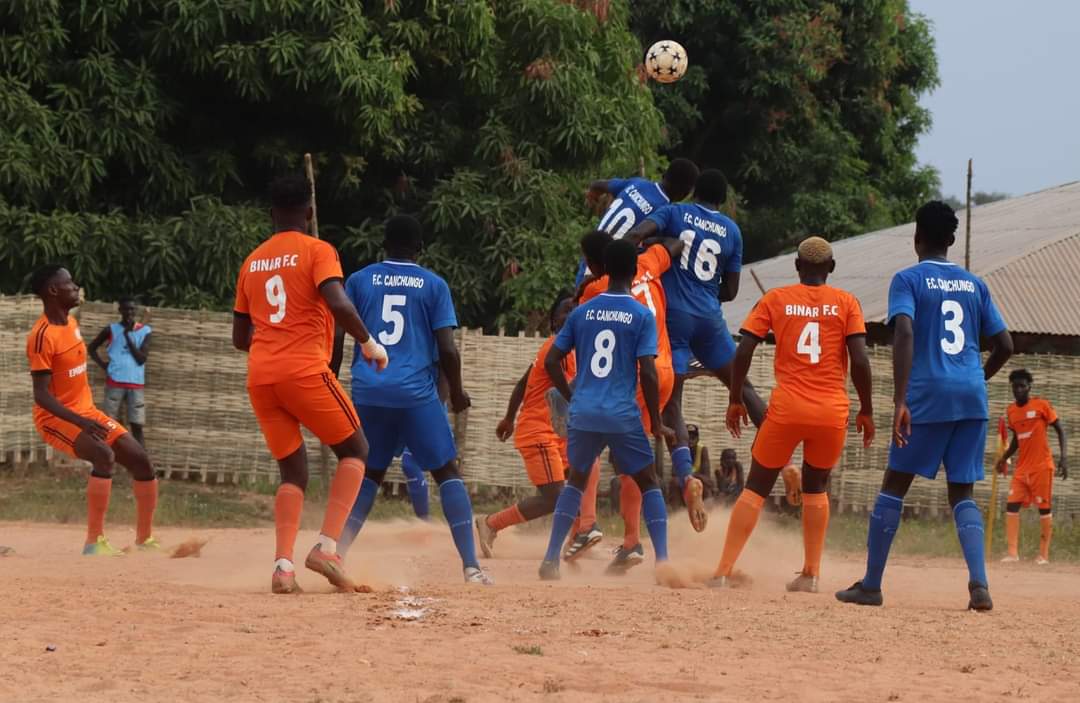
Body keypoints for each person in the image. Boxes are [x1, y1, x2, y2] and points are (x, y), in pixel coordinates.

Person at [836, 202, 1013, 611]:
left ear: (916, 239)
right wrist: (976, 378)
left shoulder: (908, 280)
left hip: (927, 396)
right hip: (971, 397)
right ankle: (979, 585)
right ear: (952, 241)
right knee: (962, 492)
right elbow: (1005, 345)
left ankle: (872, 585)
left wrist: (900, 399)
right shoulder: (976, 285)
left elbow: (904, 331)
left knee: (895, 484)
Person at [232, 176, 387, 594]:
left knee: (293, 472)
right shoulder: (319, 251)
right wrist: (370, 344)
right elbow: (337, 302)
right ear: (310, 211)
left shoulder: (252, 261)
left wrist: (273, 337)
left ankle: (283, 567)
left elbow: (238, 338)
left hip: (261, 377)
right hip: (302, 369)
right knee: (356, 450)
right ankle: (326, 547)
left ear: (271, 214)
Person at [336, 214, 491, 585]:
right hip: (414, 392)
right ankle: (471, 568)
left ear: (383, 244)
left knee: (369, 473)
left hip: (369, 390)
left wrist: (334, 376)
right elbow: (448, 351)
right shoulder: (433, 285)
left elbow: (338, 338)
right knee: (445, 471)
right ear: (421, 248)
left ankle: (335, 554)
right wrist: (456, 392)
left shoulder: (358, 280)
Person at [713, 237, 875, 592]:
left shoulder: (775, 299)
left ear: (797, 266)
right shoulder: (847, 303)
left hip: (787, 410)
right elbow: (860, 360)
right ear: (831, 268)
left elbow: (743, 351)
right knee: (816, 487)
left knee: (755, 487)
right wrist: (866, 409)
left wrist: (736, 398)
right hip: (831, 412)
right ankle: (811, 575)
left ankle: (723, 572)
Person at [625, 169, 767, 512]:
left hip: (674, 318)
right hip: (709, 318)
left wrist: (641, 255)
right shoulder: (732, 230)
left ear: (693, 191)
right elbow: (731, 291)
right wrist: (704, 292)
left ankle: (688, 478)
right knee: (743, 387)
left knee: (672, 399)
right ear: (721, 199)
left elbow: (637, 233)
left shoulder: (675, 212)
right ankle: (784, 459)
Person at [538, 239, 675, 581]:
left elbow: (554, 359)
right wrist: (657, 422)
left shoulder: (582, 311)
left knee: (576, 482)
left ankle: (551, 559)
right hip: (621, 413)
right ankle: (663, 563)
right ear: (632, 271)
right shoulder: (641, 315)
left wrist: (571, 394)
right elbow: (647, 370)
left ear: (603, 270)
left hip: (584, 411)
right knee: (648, 481)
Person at [577, 230, 701, 572]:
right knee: (633, 461)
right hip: (663, 373)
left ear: (595, 264)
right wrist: (646, 238)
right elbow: (676, 244)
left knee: (589, 447)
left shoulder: (594, 291)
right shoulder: (648, 263)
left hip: (631, 376)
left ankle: (586, 525)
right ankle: (633, 542)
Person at [27, 265, 161, 555]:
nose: (76, 287)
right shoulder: (42, 335)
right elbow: (41, 396)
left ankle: (145, 540)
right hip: (55, 418)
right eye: (69, 283)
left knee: (141, 461)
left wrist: (85, 417)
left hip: (86, 413)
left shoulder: (72, 324)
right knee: (104, 455)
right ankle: (94, 542)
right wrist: (79, 420)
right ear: (53, 291)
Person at [475, 293, 602, 558]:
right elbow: (553, 373)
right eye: (566, 311)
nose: (572, 314)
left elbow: (524, 381)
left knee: (580, 478)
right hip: (539, 430)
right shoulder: (558, 347)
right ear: (555, 320)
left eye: (576, 310)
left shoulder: (570, 349)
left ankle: (576, 541)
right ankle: (490, 524)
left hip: (558, 432)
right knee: (556, 497)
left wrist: (509, 417)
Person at [575, 159, 700, 286]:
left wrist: (592, 194)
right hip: (605, 273)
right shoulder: (664, 213)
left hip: (589, 260)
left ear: (664, 175)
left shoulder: (636, 183)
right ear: (685, 192)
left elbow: (598, 184)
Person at [997, 369, 1068, 564]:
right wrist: (1004, 458)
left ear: (1029, 387)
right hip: (1021, 469)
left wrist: (1063, 457)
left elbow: (1061, 430)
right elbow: (1016, 440)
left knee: (1044, 508)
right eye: (1015, 386)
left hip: (1042, 467)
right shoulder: (1011, 411)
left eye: (1022, 386)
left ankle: (1043, 555)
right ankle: (1012, 554)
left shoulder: (1041, 405)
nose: (1018, 389)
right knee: (1011, 505)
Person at [88, 297, 152, 446]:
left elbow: (141, 359)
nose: (129, 312)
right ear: (120, 310)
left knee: (137, 425)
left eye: (132, 309)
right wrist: (104, 366)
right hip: (115, 383)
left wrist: (128, 336)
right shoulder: (111, 329)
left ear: (136, 310)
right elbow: (91, 348)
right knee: (108, 423)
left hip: (136, 384)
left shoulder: (145, 331)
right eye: (126, 309)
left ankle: (140, 462)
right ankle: (105, 456)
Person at [687, 424, 715, 498]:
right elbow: (674, 474)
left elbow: (706, 476)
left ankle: (709, 508)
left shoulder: (702, 450)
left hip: (697, 480)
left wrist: (692, 476)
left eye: (693, 438)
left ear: (698, 439)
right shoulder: (680, 449)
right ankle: (677, 509)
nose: (690, 441)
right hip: (684, 481)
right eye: (688, 438)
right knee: (674, 483)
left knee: (706, 484)